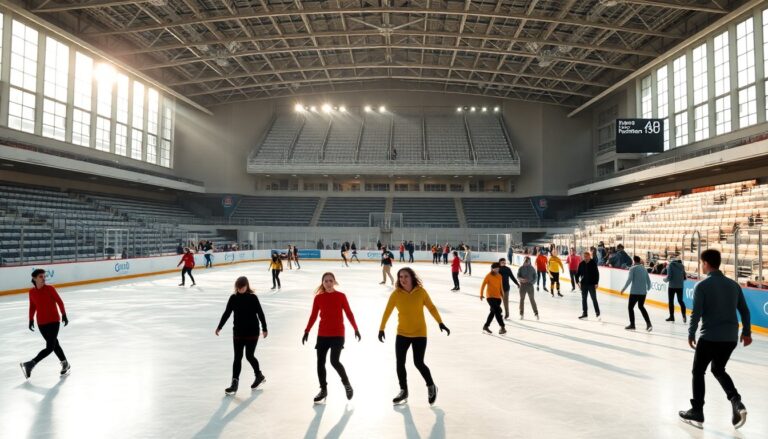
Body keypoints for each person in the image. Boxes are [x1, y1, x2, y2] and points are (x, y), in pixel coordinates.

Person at [679, 249, 752, 430]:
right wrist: (747, 332)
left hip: (710, 337)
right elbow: (744, 310)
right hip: (729, 339)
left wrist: (691, 333)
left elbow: (696, 313)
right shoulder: (733, 285)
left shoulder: (702, 286)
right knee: (718, 369)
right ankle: (736, 402)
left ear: (705, 263)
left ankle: (697, 411)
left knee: (698, 371)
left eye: (701, 263)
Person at [378, 267, 450, 406]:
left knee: (418, 362)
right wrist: (381, 328)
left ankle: (431, 386)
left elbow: (431, 307)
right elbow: (387, 311)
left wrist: (440, 322)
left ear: (412, 277)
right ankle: (403, 390)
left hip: (419, 333)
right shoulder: (396, 294)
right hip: (402, 333)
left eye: (406, 276)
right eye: (400, 277)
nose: (403, 279)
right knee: (400, 363)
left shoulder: (421, 292)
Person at [303, 272, 361, 404]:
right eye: (325, 281)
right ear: (322, 283)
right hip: (322, 334)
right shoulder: (318, 298)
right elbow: (313, 316)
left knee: (334, 361)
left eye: (330, 280)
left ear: (334, 282)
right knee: (320, 363)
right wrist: (307, 331)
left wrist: (356, 328)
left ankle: (346, 384)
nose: (328, 283)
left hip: (338, 334)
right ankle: (323, 390)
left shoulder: (341, 296)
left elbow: (349, 313)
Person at [216, 276, 267, 395]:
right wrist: (220, 326)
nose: (240, 290)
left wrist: (264, 328)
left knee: (249, 356)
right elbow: (227, 313)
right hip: (238, 333)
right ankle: (234, 384)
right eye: (238, 288)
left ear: (246, 286)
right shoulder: (233, 298)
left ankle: (258, 375)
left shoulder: (253, 298)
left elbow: (260, 313)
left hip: (252, 332)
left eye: (242, 287)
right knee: (237, 357)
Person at [20, 269, 70, 379]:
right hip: (41, 323)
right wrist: (31, 319)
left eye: (44, 276)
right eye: (40, 277)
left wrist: (64, 314)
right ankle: (65, 363)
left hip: (53, 321)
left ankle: (31, 364)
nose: (44, 278)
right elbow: (32, 306)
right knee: (54, 344)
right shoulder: (31, 292)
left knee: (50, 347)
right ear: (34, 279)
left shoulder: (50, 289)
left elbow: (59, 301)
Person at [620, 256, 653, 331]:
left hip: (634, 292)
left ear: (634, 261)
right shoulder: (644, 269)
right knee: (641, 307)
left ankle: (632, 324)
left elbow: (629, 280)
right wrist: (647, 289)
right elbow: (648, 281)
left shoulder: (633, 269)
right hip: (643, 293)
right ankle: (649, 324)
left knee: (630, 307)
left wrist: (623, 289)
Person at [480, 263, 507, 334]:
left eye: (498, 269)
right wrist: (481, 294)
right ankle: (502, 327)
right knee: (498, 311)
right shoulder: (488, 276)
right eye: (496, 269)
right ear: (492, 268)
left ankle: (486, 326)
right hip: (490, 297)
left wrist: (503, 295)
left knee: (493, 312)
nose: (497, 270)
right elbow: (483, 285)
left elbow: (501, 286)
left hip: (498, 297)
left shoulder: (500, 276)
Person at [575, 251, 600, 320]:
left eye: (586, 256)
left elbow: (597, 274)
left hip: (592, 284)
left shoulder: (593, 263)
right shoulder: (581, 264)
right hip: (583, 285)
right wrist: (577, 282)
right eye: (584, 256)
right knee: (584, 299)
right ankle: (585, 313)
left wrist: (596, 283)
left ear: (589, 256)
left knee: (594, 299)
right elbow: (577, 274)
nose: (585, 258)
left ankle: (597, 313)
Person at [664, 256, 687, 323]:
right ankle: (683, 315)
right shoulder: (682, 266)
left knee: (671, 301)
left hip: (672, 286)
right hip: (680, 286)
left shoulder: (670, 265)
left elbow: (669, 276)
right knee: (680, 301)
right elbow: (684, 276)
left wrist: (665, 280)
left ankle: (672, 317)